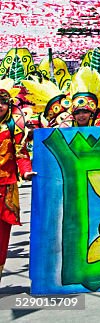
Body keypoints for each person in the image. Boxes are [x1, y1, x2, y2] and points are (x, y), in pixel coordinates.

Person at [0, 84, 31, 284]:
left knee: (1, 237)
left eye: (2, 102)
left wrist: (26, 170)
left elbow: (21, 153)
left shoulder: (13, 126)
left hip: (6, 188)